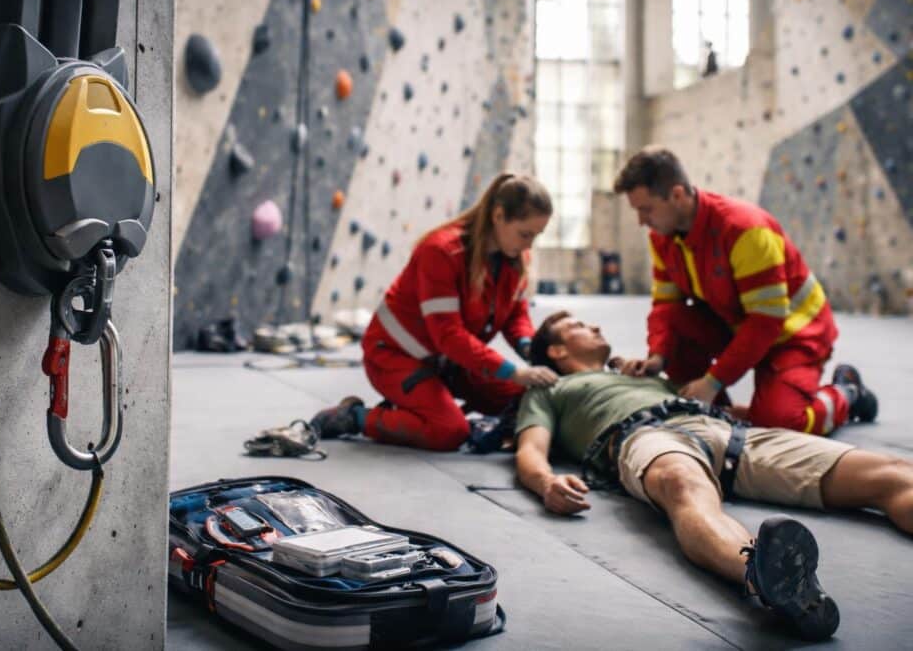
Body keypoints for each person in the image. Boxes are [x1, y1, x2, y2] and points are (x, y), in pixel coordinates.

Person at [515, 311, 913, 641]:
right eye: (579, 327)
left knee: (894, 473)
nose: (597, 327)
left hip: (726, 429)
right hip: (646, 437)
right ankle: (770, 578)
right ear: (557, 350)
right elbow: (531, 450)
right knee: (682, 486)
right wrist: (547, 482)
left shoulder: (643, 374)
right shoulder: (551, 390)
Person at [613, 147, 876, 436]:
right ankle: (717, 415)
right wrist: (657, 356)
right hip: (737, 324)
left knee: (782, 425)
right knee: (677, 323)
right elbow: (666, 306)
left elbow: (766, 321)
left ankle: (847, 393)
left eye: (645, 209)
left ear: (676, 195)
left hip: (794, 333)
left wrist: (713, 382)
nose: (641, 221)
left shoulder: (745, 230)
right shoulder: (663, 237)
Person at [309, 173, 558, 450]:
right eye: (525, 234)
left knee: (527, 399)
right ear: (498, 216)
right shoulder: (441, 251)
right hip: (394, 357)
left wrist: (530, 348)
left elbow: (514, 315)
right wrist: (513, 371)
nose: (530, 245)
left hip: (450, 362)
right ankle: (355, 417)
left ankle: (422, 406)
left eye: (537, 236)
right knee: (449, 430)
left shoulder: (516, 257)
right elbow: (448, 335)